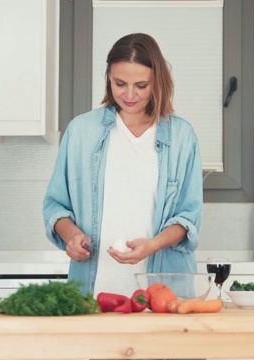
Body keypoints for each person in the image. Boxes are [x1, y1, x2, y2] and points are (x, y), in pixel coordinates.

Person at [42, 33, 203, 297]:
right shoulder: (81, 132)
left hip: (163, 292)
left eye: (141, 85)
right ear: (108, 78)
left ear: (157, 82)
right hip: (94, 289)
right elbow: (55, 205)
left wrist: (153, 245)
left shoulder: (182, 137)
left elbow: (188, 218)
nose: (129, 94)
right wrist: (71, 236)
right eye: (120, 83)